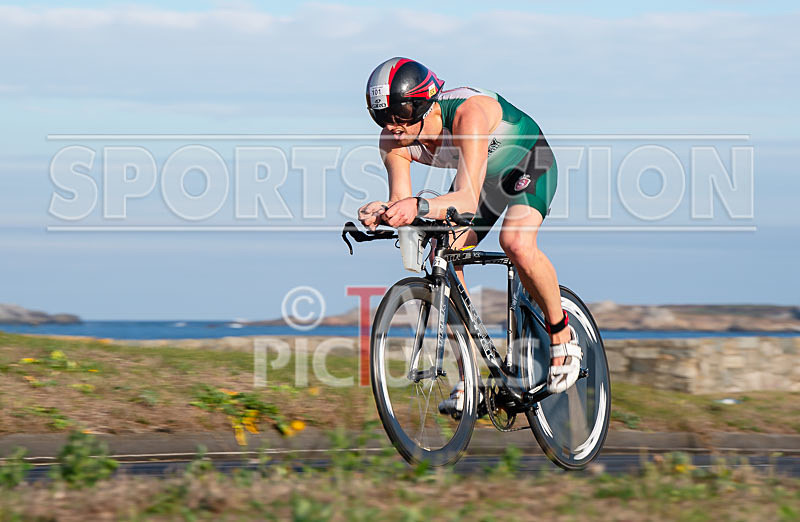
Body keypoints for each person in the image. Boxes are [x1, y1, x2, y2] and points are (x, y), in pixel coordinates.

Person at [358, 57, 581, 411]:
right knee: (443, 254)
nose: (393, 128)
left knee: (516, 243)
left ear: (422, 105)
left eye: (400, 118)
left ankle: (561, 335)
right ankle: (469, 379)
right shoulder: (392, 142)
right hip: (483, 182)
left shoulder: (468, 114)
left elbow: (463, 198)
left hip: (528, 163)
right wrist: (385, 212)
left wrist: (417, 207)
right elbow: (404, 204)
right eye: (383, 118)